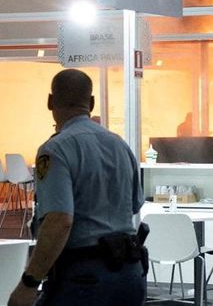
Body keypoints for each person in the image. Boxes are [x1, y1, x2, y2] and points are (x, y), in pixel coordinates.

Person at [8, 69, 146, 306]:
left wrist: (29, 283)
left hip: (83, 278)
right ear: (91, 103)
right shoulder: (120, 145)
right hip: (129, 275)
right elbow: (135, 205)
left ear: (50, 101)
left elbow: (59, 220)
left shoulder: (55, 150)